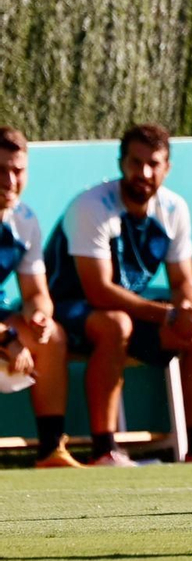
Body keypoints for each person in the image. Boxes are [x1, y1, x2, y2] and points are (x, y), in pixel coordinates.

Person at [47, 124, 192, 466]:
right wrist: (167, 315)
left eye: (154, 164)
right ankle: (104, 451)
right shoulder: (93, 206)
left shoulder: (174, 209)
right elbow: (98, 291)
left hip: (130, 314)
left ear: (167, 168)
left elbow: (184, 280)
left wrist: (188, 310)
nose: (143, 173)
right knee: (116, 324)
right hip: (69, 309)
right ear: (121, 163)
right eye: (136, 162)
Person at [0, 127, 79, 468]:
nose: (10, 180)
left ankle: (50, 450)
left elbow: (36, 294)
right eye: (0, 170)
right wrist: (8, 338)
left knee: (53, 336)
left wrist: (39, 317)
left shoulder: (25, 218)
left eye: (17, 170)